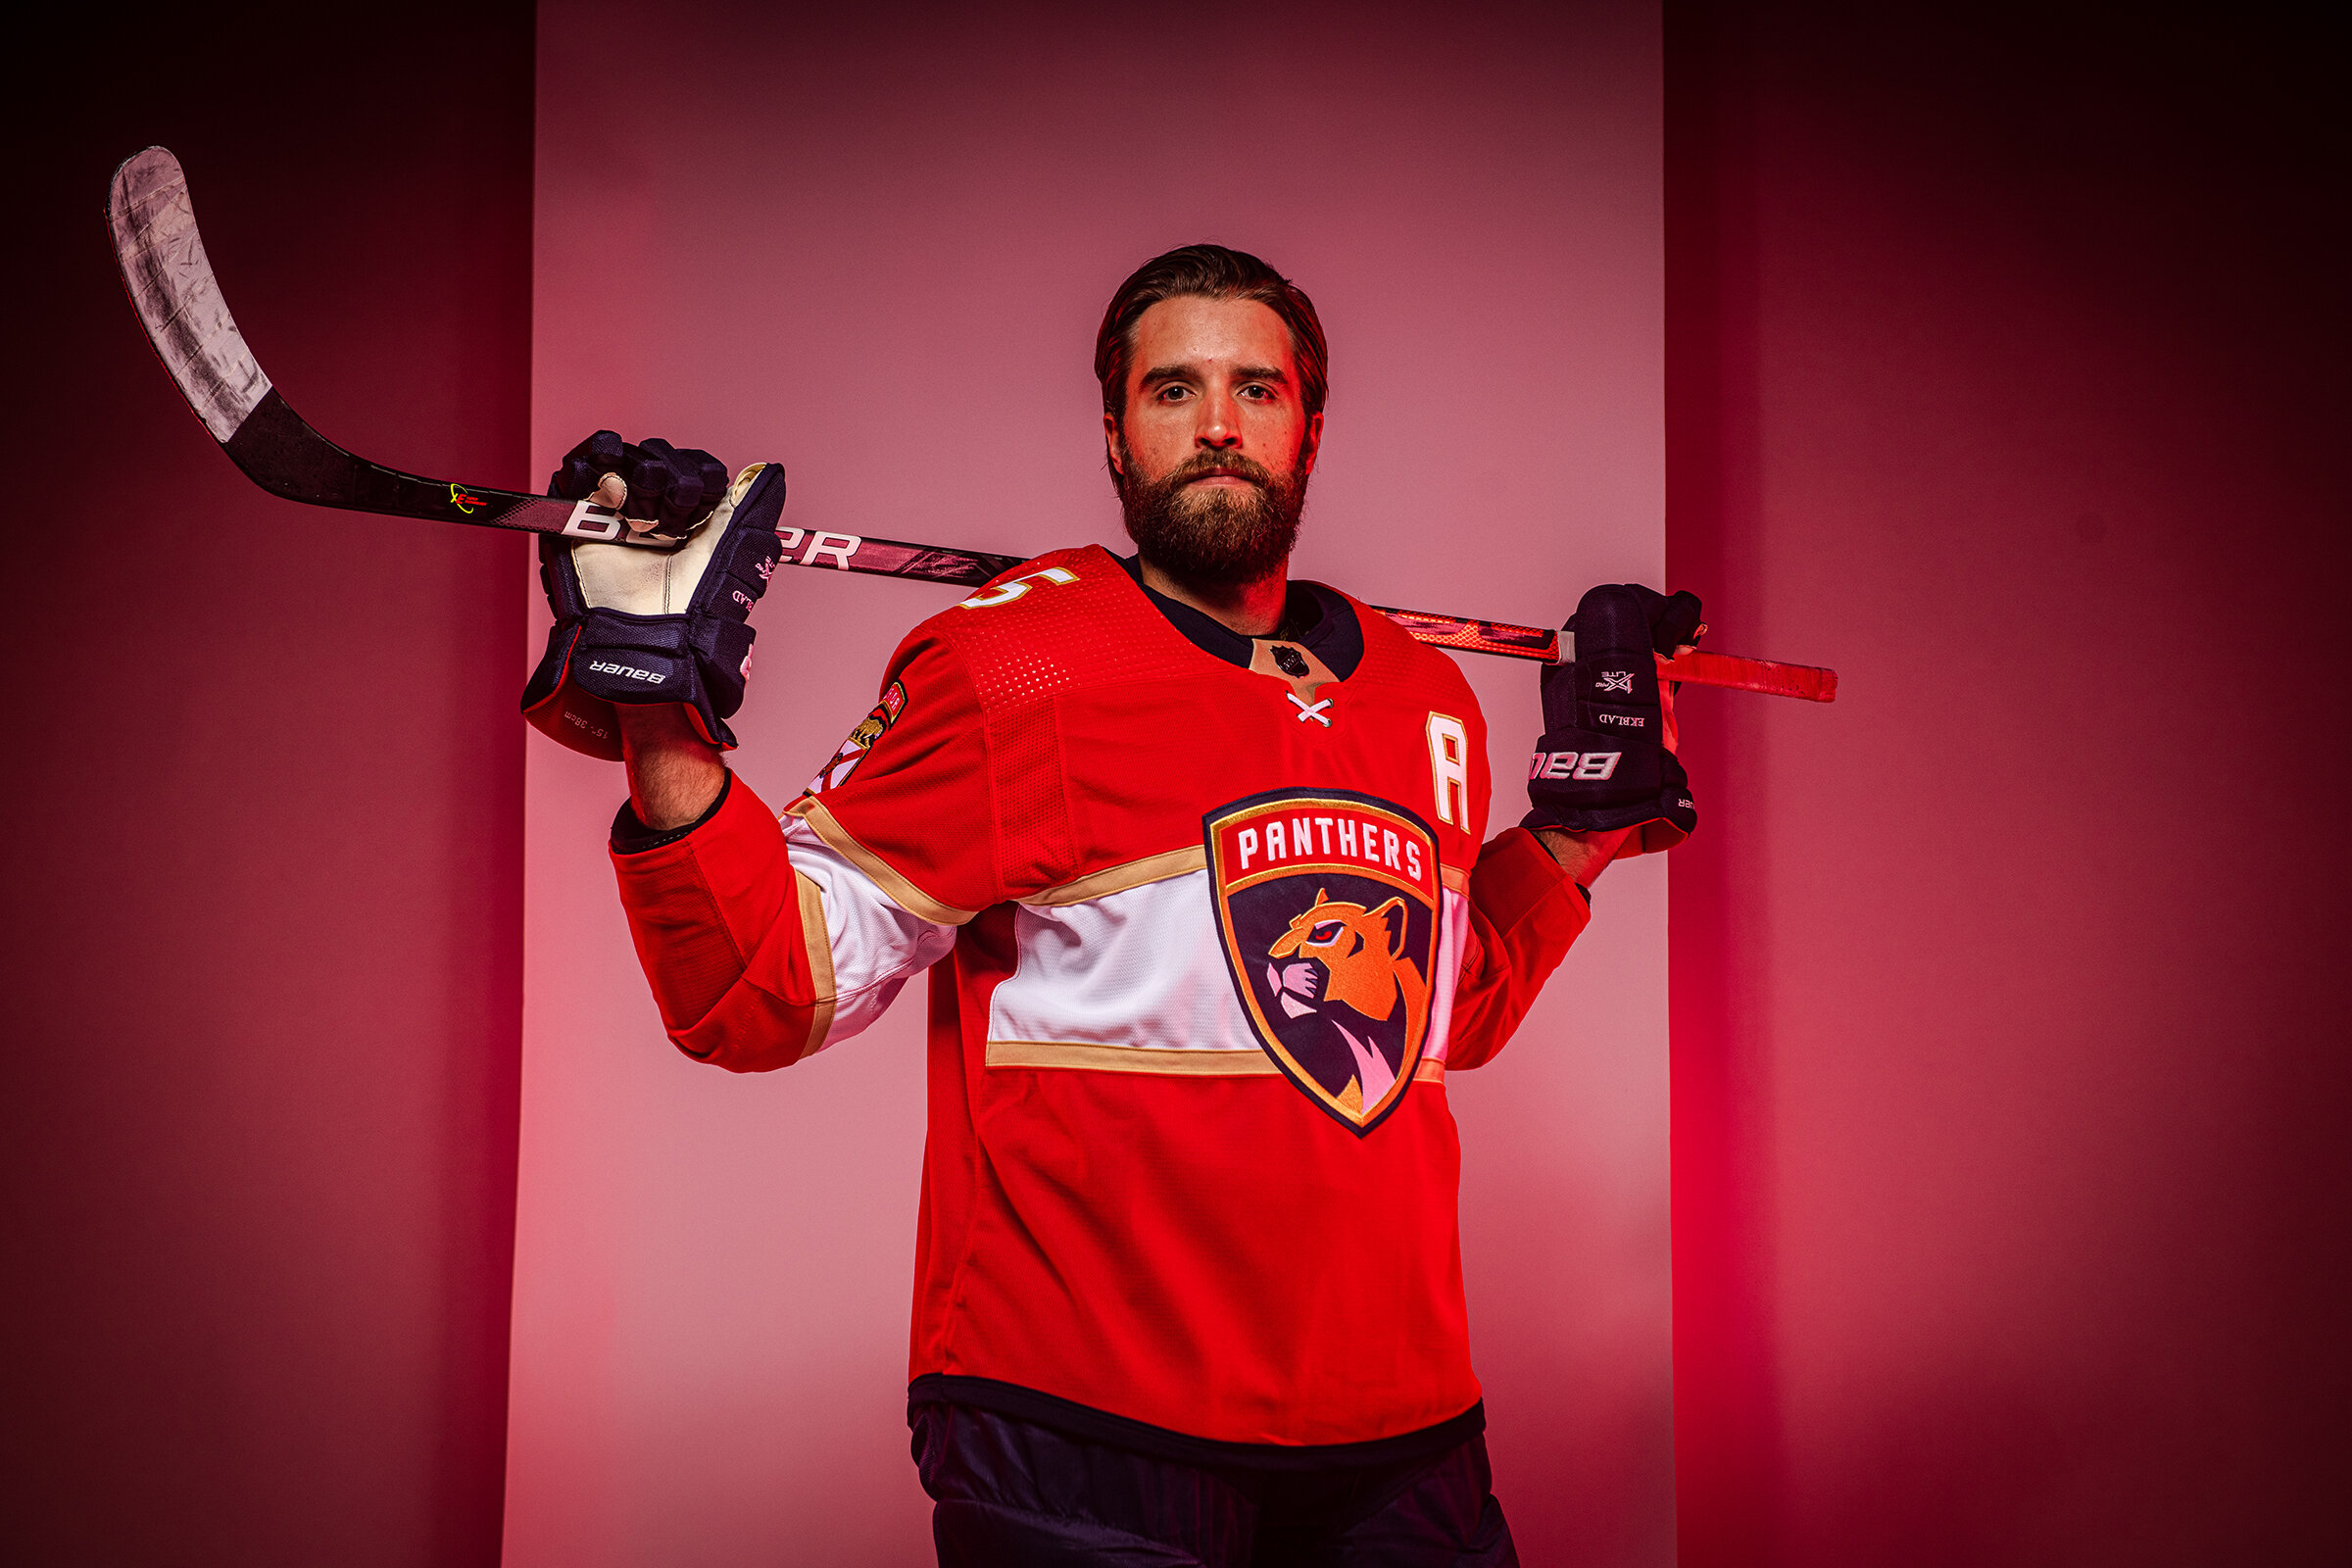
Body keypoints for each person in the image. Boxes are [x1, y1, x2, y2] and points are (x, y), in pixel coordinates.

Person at [520, 244, 1700, 1567]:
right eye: (1171, 390)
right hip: (1082, 1429)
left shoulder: (1426, 696)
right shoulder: (1014, 667)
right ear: (1114, 432)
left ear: (1311, 424)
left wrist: (1575, 833)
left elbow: (1429, 1019)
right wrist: (656, 712)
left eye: (1257, 388)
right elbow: (756, 988)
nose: (1215, 425)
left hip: (1401, 1432)